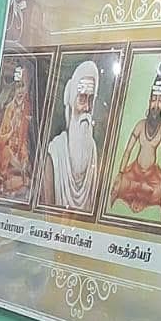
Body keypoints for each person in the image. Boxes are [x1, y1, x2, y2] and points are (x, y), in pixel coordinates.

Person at [110, 61, 161, 217]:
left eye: (160, 100)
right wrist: (120, 172)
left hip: (152, 177)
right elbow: (128, 150)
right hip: (135, 173)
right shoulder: (140, 125)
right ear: (149, 100)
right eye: (154, 99)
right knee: (118, 186)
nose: (156, 105)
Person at [42, 59, 101, 214]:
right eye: (82, 98)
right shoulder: (55, 152)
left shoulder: (93, 150)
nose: (87, 108)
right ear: (72, 98)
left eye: (90, 100)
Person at [0, 62, 33, 198]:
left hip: (16, 162)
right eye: (17, 87)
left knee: (24, 180)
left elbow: (23, 140)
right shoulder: (9, 109)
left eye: (23, 86)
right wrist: (10, 133)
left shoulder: (26, 109)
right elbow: (0, 142)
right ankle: (0, 178)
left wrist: (23, 159)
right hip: (5, 158)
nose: (20, 91)